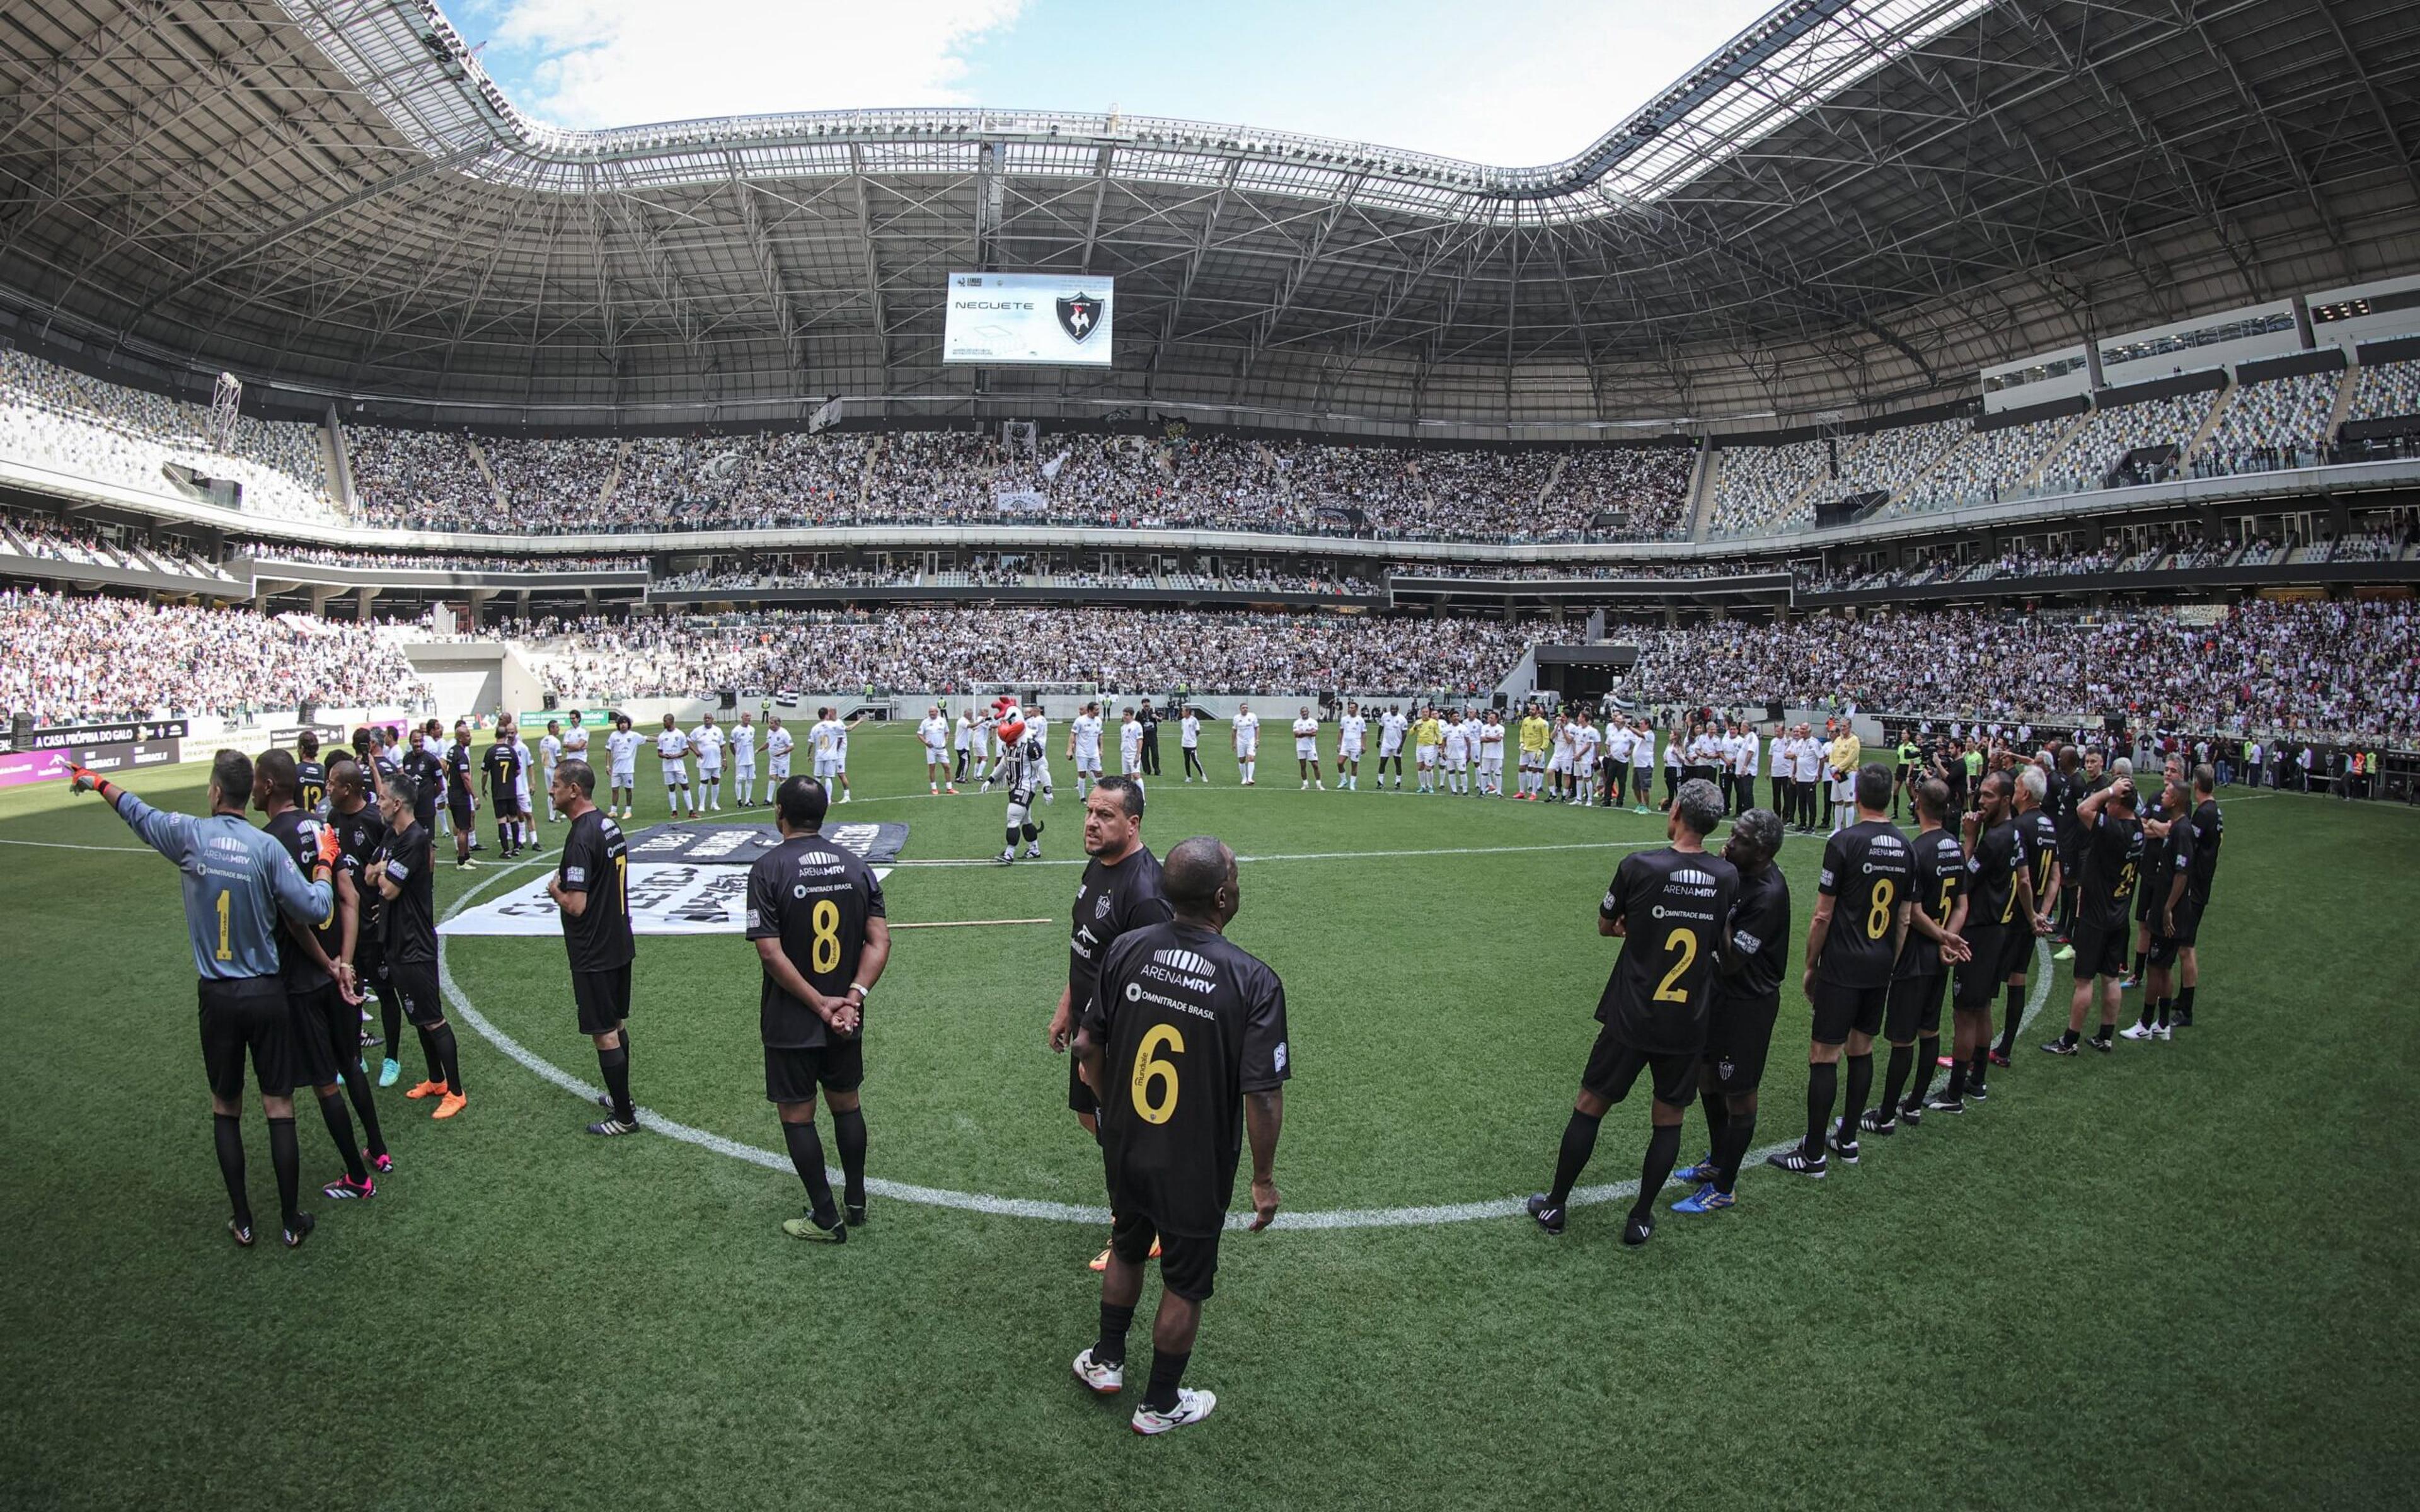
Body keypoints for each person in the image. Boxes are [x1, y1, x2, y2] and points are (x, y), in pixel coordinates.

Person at [69, 749, 338, 1247]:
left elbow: (136, 811)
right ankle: (290, 1220)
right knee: (279, 1106)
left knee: (226, 1105)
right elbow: (317, 906)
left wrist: (95, 780)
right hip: (267, 992)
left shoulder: (190, 835)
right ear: (246, 792)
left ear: (216, 792)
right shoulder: (265, 848)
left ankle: (243, 1220)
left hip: (217, 996)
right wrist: (324, 860)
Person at [1072, 835, 1288, 1435]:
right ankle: (1160, 1402)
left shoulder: (1125, 950)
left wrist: (1110, 1105)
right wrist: (1264, 1180)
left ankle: (1106, 1361)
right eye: (1236, 877)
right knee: (1185, 1283)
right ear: (1223, 896)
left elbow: (1089, 1045)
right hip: (1194, 1161)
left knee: (1127, 1243)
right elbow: (1263, 1093)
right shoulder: (1254, 980)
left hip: (1128, 1142)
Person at [1527, 779, 1738, 1245]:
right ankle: (1641, 1217)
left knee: (1590, 1106)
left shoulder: (1641, 865)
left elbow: (1607, 925)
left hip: (1633, 1012)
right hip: (1687, 1021)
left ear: (1677, 809)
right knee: (1668, 1120)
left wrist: (1633, 925)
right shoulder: (1727, 877)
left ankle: (1556, 1205)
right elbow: (1717, 937)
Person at [746, 776, 891, 1242]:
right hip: (847, 1018)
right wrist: (853, 997)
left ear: (780, 812)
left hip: (793, 1019)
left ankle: (826, 1218)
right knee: (846, 1104)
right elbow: (880, 940)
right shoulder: (856, 864)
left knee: (798, 1115)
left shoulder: (767, 869)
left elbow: (770, 953)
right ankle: (856, 1198)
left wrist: (818, 1004)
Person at [1047, 777, 1175, 1271]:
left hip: (1116, 1038)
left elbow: (1150, 990)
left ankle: (1137, 1231)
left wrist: (1101, 1047)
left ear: (1133, 823)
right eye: (1090, 812)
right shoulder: (1100, 863)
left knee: (1119, 1135)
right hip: (1088, 1025)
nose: (1092, 823)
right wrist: (1068, 1006)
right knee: (1092, 1121)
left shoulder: (1146, 894)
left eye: (1106, 816)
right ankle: (1144, 1205)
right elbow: (1088, 949)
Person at [1768, 763, 1912, 1178]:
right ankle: (1847, 1138)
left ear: (1858, 793)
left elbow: (1822, 915)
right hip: (1881, 964)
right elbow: (1903, 919)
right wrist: (1891, 963)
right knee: (1862, 1048)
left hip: (1844, 964)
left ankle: (1813, 1154)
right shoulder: (1906, 846)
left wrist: (1811, 964)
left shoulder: (1844, 840)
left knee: (1824, 1054)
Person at [255, 750, 385, 1201]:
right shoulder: (323, 826)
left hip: (306, 978)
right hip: (339, 972)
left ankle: (356, 1177)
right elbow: (347, 896)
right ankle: (379, 1151)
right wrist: (346, 963)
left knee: (326, 1081)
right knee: (350, 1062)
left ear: (269, 785)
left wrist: (327, 965)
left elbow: (294, 920)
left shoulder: (269, 840)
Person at [1671, 806, 1789, 1215]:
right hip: (1719, 996)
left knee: (1740, 1095)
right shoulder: (1740, 873)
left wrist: (1720, 894)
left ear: (1761, 851)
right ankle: (1717, 1159)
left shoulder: (1768, 894)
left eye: (1739, 838)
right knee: (1707, 1079)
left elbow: (1734, 958)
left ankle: (1725, 1186)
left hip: (1747, 1006)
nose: (1728, 842)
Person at [1864, 777, 1970, 1137]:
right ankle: (1913, 1106)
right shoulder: (1955, 847)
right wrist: (1950, 939)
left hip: (1916, 956)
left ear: (1918, 805)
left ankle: (1886, 1115)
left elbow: (1913, 914)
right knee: (1931, 1029)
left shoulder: (1916, 849)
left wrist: (1941, 937)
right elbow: (1961, 904)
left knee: (1902, 1039)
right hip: (1941, 959)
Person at [548, 759, 642, 1135]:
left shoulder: (582, 835)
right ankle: (623, 1099)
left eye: (556, 784)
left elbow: (576, 904)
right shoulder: (607, 823)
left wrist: (555, 890)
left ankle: (623, 1117)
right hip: (618, 941)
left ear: (574, 790)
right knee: (616, 1024)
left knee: (603, 1032)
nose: (551, 791)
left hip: (594, 949)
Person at [375, 772, 466, 1120]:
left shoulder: (414, 839)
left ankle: (456, 1092)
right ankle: (436, 1080)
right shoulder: (391, 836)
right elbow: (372, 872)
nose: (379, 803)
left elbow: (386, 889)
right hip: (396, 940)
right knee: (418, 1018)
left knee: (433, 1019)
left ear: (397, 803)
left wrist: (381, 872)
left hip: (415, 943)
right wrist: (381, 869)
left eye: (383, 798)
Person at [2044, 777, 2144, 1055]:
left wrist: (2109, 791)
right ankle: (2105, 1036)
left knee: (2084, 980)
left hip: (2096, 915)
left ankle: (2070, 1040)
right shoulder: (2138, 828)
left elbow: (2084, 810)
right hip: (2119, 915)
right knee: (2110, 977)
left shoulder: (2115, 829)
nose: (2106, 805)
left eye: (2110, 802)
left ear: (2118, 804)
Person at [326, 759, 404, 1088]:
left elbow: (394, 866)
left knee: (386, 992)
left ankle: (392, 1059)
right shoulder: (332, 819)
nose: (327, 788)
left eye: (332, 783)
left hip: (375, 926)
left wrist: (384, 905)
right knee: (351, 989)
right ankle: (355, 1058)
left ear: (348, 788)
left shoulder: (374, 821)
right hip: (347, 926)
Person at [1996, 761, 2063, 1065]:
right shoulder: (2048, 824)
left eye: (2018, 784)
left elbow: (2023, 879)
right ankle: (2005, 1047)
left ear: (2024, 792)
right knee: (2017, 978)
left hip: (2012, 914)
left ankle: (1980, 1053)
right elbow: (2055, 876)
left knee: (1985, 983)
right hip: (2030, 915)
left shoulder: (2019, 826)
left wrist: (2029, 912)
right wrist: (2042, 914)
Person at [2123, 776, 2196, 1042]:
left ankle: (2145, 1022)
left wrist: (2167, 908)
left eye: (2166, 793)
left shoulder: (2181, 831)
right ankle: (2163, 1023)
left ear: (2175, 800)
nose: (2162, 795)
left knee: (2156, 967)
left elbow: (2182, 873)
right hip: (2165, 907)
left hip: (2170, 913)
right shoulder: (2177, 828)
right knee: (2164, 968)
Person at [2171, 763, 2222, 1028]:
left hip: (2196, 886)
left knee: (2186, 948)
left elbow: (2189, 842)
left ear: (2196, 786)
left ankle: (2187, 1009)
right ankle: (2182, 998)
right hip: (2201, 884)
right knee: (2185, 946)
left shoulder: (2205, 813)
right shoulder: (2213, 810)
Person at [992, 699, 1048, 864]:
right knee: (1026, 820)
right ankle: (1034, 849)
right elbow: (1004, 763)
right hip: (1013, 786)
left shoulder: (1031, 745)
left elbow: (1042, 768)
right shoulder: (1009, 746)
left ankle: (1009, 854)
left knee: (1013, 818)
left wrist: (1048, 788)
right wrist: (991, 779)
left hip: (1025, 786)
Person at [484, 718, 527, 859]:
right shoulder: (512, 751)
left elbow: (485, 773)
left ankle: (506, 851)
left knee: (502, 821)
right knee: (513, 818)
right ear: (505, 736)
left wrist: (483, 787)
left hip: (498, 791)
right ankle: (516, 848)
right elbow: (518, 771)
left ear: (496, 736)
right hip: (511, 790)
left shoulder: (491, 752)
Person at [658, 714, 695, 820]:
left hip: (679, 766)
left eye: (665, 721)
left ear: (671, 721)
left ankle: (691, 811)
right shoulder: (662, 736)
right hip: (667, 767)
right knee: (671, 788)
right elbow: (659, 753)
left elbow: (686, 751)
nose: (664, 723)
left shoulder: (680, 734)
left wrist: (676, 756)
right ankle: (674, 811)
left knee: (685, 786)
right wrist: (665, 756)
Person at [605, 713, 641, 820]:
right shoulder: (614, 735)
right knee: (615, 789)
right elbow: (608, 750)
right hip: (616, 768)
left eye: (625, 723)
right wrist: (608, 766)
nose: (623, 725)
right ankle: (614, 811)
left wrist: (660, 739)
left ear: (628, 724)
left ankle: (628, 811)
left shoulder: (634, 735)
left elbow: (646, 738)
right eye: (621, 723)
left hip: (628, 769)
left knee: (628, 790)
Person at [1069, 701, 1107, 799]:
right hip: (1082, 752)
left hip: (1094, 752)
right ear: (1090, 710)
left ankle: (1101, 795)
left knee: (1099, 773)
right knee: (1082, 774)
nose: (1098, 711)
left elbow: (1100, 736)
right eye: (1096, 710)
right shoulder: (1080, 721)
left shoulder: (1099, 721)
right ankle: (1082, 797)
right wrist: (1069, 749)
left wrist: (1101, 749)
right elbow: (1073, 734)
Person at [691, 713, 725, 813]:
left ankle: (714, 803)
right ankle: (702, 804)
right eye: (705, 718)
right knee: (704, 782)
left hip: (716, 761)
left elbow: (722, 746)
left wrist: (724, 760)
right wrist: (696, 751)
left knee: (716, 782)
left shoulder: (718, 730)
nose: (707, 720)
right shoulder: (698, 730)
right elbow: (689, 741)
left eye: (709, 718)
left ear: (712, 719)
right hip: (704, 762)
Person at [918, 704, 955, 796]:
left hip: (942, 749)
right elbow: (919, 734)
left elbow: (947, 732)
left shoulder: (942, 720)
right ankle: (934, 789)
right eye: (930, 712)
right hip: (931, 749)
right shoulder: (925, 722)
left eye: (933, 712)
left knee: (947, 767)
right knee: (932, 768)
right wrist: (926, 742)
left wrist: (946, 740)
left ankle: (949, 788)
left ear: (937, 712)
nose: (932, 713)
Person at [1335, 700, 1366, 791]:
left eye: (1352, 708)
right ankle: (1344, 780)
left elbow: (1364, 734)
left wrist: (1363, 745)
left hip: (1356, 745)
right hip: (1345, 745)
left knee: (1354, 765)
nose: (1350, 709)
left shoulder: (1360, 720)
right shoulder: (1344, 719)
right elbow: (1341, 732)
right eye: (1349, 707)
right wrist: (1339, 744)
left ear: (1356, 709)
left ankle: (1352, 784)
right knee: (1340, 763)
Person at [296, 729, 328, 817]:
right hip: (320, 823)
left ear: (302, 749)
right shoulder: (326, 772)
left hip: (300, 822)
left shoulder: (294, 771)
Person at [1292, 707, 1325, 791]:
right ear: (1300, 713)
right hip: (1300, 747)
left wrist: (1302, 733)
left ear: (1308, 712)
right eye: (1302, 712)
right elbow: (1296, 734)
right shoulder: (1297, 722)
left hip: (1311, 747)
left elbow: (1314, 733)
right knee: (1303, 766)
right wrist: (1308, 732)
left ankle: (1319, 784)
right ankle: (1305, 784)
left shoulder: (1313, 722)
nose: (1304, 713)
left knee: (1315, 765)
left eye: (1305, 711)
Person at [763, 713, 793, 805]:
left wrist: (781, 753)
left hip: (783, 761)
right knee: (772, 778)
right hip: (773, 761)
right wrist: (759, 750)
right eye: (770, 723)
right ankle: (769, 800)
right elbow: (768, 743)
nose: (770, 725)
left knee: (783, 779)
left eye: (771, 723)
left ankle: (784, 799)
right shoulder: (769, 732)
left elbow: (791, 746)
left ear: (777, 724)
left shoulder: (784, 733)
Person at [731, 711, 758, 807]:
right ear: (742, 717)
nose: (749, 718)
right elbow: (731, 745)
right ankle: (739, 800)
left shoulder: (752, 729)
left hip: (751, 759)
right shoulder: (736, 730)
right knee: (739, 780)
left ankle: (747, 800)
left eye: (750, 716)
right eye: (747, 716)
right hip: (741, 760)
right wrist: (736, 755)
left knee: (750, 779)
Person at [540, 718, 565, 822]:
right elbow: (558, 758)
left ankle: (553, 815)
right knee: (554, 792)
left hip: (546, 768)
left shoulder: (543, 741)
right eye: (557, 727)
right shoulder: (555, 741)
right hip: (554, 769)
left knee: (550, 792)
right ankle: (552, 816)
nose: (559, 729)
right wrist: (564, 767)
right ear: (552, 728)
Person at [1378, 704, 1408, 789]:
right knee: (1382, 762)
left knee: (1398, 763)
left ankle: (1398, 782)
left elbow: (1405, 734)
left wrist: (1401, 746)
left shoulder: (1402, 719)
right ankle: (1380, 782)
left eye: (1395, 709)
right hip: (1386, 744)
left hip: (1397, 745)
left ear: (1398, 709)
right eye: (1392, 709)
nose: (1393, 710)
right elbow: (1381, 727)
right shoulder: (1385, 716)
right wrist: (1378, 739)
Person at [1119, 706, 1146, 796]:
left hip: (1133, 753)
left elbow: (1140, 740)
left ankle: (1142, 798)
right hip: (1124, 753)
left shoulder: (1137, 725)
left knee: (1136, 775)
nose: (1124, 717)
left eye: (1127, 715)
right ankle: (1129, 797)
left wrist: (1138, 754)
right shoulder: (1123, 727)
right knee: (1126, 777)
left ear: (1132, 715)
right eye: (1124, 715)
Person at [1413, 706, 1441, 794]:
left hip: (1429, 747)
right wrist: (1415, 728)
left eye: (1427, 712)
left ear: (1429, 712)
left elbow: (1438, 734)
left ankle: (1430, 786)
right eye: (1423, 712)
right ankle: (1422, 786)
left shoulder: (1434, 722)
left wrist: (1440, 745)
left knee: (1428, 768)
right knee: (1420, 767)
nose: (1425, 713)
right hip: (1419, 746)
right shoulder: (1418, 722)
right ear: (1421, 713)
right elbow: (1411, 733)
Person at [1231, 701, 1260, 787]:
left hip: (1251, 741)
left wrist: (1257, 740)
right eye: (1243, 708)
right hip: (1241, 741)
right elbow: (1234, 731)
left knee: (1251, 758)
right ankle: (1244, 778)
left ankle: (1250, 778)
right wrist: (1233, 743)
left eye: (1246, 708)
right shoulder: (1236, 718)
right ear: (1240, 709)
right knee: (1242, 760)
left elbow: (1257, 728)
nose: (1245, 709)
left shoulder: (1253, 716)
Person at [1180, 704, 1209, 784]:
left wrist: (1193, 738)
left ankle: (1203, 775)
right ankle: (1188, 776)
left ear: (1187, 712)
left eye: (1183, 711)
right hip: (1184, 744)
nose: (1182, 712)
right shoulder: (1183, 721)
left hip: (1192, 744)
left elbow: (1198, 731)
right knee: (1186, 761)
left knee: (1195, 760)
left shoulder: (1194, 720)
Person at [1137, 699, 1162, 777]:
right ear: (1142, 704)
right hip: (1143, 736)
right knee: (1144, 755)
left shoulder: (1154, 711)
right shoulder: (1140, 713)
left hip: (1153, 736)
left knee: (1155, 754)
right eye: (1145, 703)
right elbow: (1136, 723)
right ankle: (1147, 770)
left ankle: (1157, 770)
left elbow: (1161, 720)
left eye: (1147, 703)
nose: (1146, 704)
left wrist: (1157, 717)